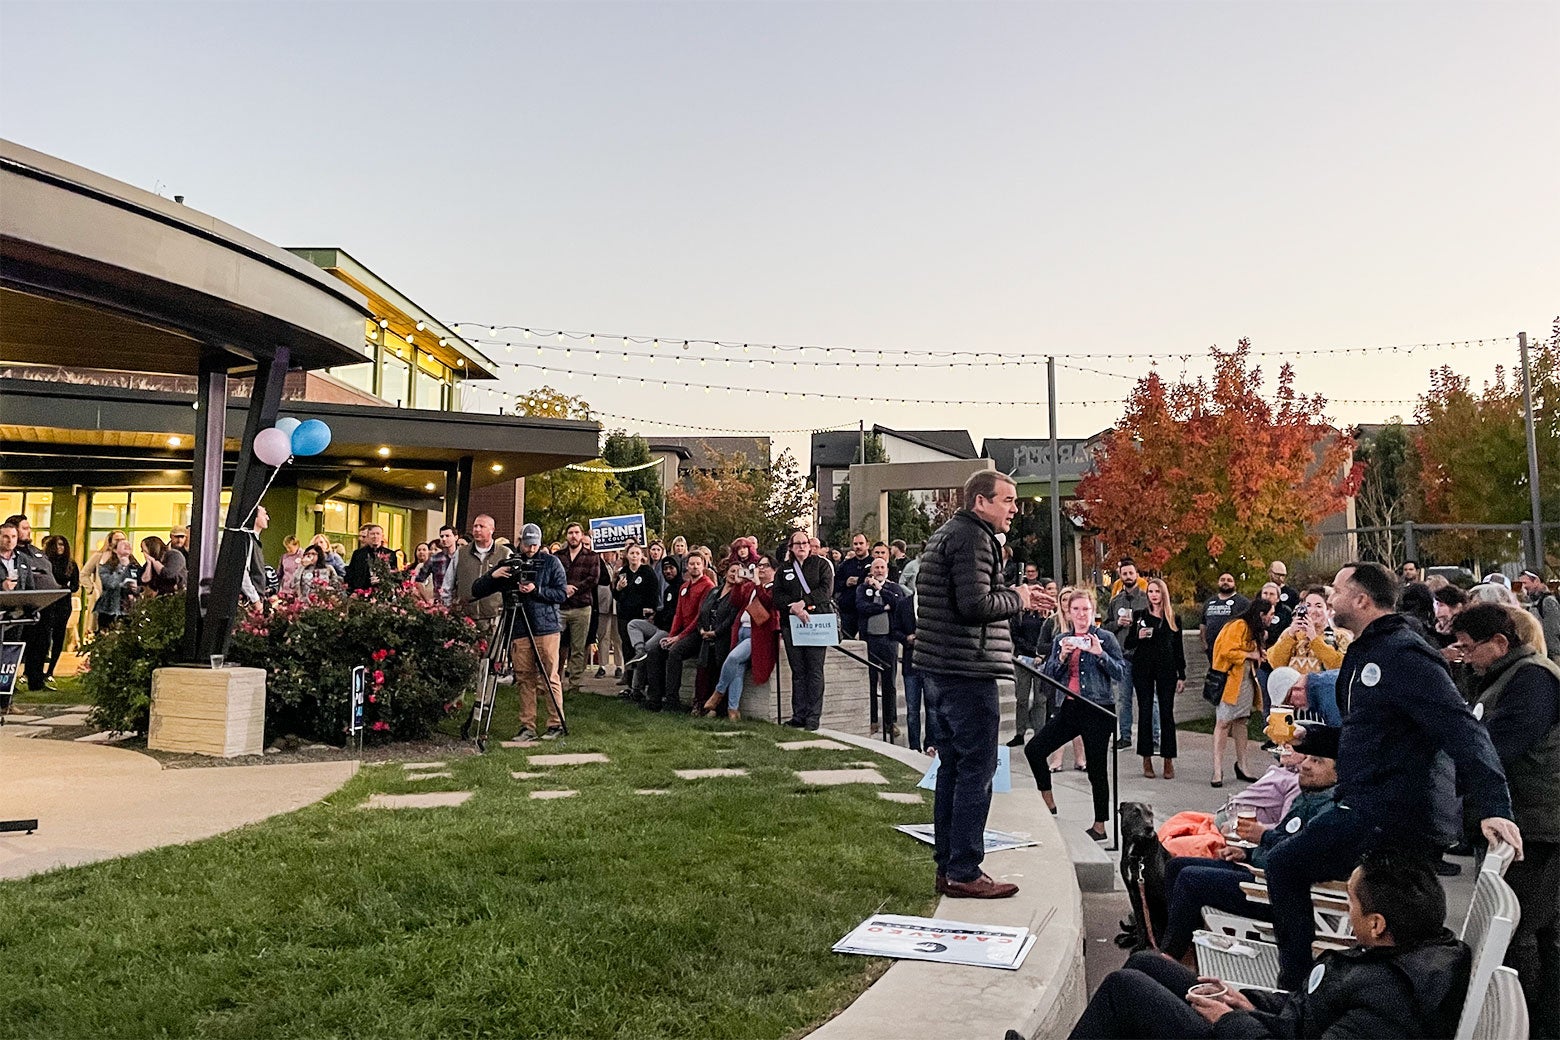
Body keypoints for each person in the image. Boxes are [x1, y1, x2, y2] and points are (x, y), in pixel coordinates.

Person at [1269, 561, 1520, 991]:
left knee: (1284, 863)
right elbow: (1370, 735)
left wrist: (1494, 806)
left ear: (1362, 600)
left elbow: (1462, 728)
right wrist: (1307, 737)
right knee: (1297, 865)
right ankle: (1354, 987)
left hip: (1390, 813)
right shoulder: (1365, 651)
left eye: (1337, 590)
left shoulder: (1403, 654)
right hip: (1368, 805)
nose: (1329, 598)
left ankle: (1296, 987)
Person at [1070, 852, 1473, 1040]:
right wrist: (1247, 1000)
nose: (1348, 913)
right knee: (1146, 963)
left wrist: (1227, 1021)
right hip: (1271, 1028)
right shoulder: (1396, 949)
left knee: (1124, 991)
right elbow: (1312, 1010)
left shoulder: (1389, 1000)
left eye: (1350, 902)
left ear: (1377, 923)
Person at [917, 471, 1049, 897]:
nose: (1014, 508)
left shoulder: (950, 534)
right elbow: (974, 605)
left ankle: (949, 867)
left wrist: (1013, 591)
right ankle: (965, 871)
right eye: (1007, 500)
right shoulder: (973, 539)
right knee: (976, 769)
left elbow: (968, 596)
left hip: (943, 667)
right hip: (966, 671)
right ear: (980, 502)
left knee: (953, 770)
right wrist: (1020, 599)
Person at [1451, 603, 1560, 1035]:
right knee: (1529, 930)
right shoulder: (1502, 677)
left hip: (1538, 825)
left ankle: (1530, 1022)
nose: (1466, 658)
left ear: (1500, 643)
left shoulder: (1533, 678)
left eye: (1469, 649)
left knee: (1522, 931)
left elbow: (1499, 745)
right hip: (1522, 821)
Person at [1160, 753, 1341, 960]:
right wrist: (1246, 853)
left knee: (1189, 879)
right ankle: (1178, 943)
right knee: (1176, 866)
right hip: (1261, 872)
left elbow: (1298, 854)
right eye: (1307, 758)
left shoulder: (1329, 812)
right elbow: (1285, 840)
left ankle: (1169, 957)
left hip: (1277, 893)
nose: (1306, 765)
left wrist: (1263, 836)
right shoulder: (1309, 797)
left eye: (1317, 761)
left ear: (1337, 774)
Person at [1028, 587, 1124, 842]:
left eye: (1086, 609)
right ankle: (1048, 803)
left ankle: (1100, 826)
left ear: (1094, 612)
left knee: (1097, 769)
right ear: (1068, 613)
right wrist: (1061, 655)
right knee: (1035, 749)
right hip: (1069, 707)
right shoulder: (1062, 639)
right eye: (1076, 610)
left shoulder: (1105, 638)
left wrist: (1099, 654)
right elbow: (1047, 676)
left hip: (1098, 708)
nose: (1082, 615)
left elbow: (1121, 673)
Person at [472, 523, 568, 741]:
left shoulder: (552, 563)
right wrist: (494, 575)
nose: (531, 549)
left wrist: (537, 590)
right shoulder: (509, 565)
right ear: (520, 542)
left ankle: (555, 723)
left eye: (535, 544)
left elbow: (561, 594)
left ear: (540, 543)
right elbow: (477, 589)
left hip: (546, 628)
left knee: (549, 676)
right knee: (525, 678)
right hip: (518, 628)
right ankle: (528, 727)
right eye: (527, 544)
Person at [772, 528, 835, 730]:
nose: (802, 547)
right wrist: (794, 607)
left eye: (805, 543)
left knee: (815, 671)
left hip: (815, 623)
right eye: (797, 543)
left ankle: (813, 716)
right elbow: (777, 596)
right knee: (798, 672)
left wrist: (804, 602)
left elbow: (825, 591)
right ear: (790, 547)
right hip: (792, 624)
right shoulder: (784, 569)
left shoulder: (821, 565)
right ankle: (798, 714)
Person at [1124, 576, 1185, 779]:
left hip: (1166, 669)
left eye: (1157, 591)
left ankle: (1168, 760)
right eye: (1150, 591)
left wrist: (1181, 674)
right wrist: (1138, 636)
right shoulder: (1140, 615)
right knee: (1146, 712)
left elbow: (1178, 648)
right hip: (1143, 668)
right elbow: (1129, 643)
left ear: (1163, 594)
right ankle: (1146, 758)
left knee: (1166, 714)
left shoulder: (1173, 618)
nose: (1154, 595)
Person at [706, 555, 780, 719]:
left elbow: (768, 602)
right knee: (737, 669)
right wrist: (739, 584)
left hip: (758, 635)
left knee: (732, 658)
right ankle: (733, 710)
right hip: (741, 630)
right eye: (759, 565)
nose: (760, 569)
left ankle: (718, 693)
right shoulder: (752, 587)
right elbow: (737, 601)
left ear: (774, 569)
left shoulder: (775, 587)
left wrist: (758, 584)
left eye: (765, 566)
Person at [1209, 594, 1268, 787]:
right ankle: (1217, 770)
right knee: (1223, 723)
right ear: (1260, 614)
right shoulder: (1239, 626)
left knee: (1242, 722)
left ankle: (1242, 765)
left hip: (1245, 682)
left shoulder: (1253, 630)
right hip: (1230, 683)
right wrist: (1249, 654)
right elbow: (1226, 650)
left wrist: (1259, 654)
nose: (1271, 618)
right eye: (1269, 614)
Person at [643, 553, 714, 712]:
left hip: (696, 633)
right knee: (655, 651)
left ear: (703, 566)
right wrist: (671, 636)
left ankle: (672, 701)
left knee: (675, 653)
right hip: (681, 632)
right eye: (692, 564)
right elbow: (678, 614)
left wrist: (678, 637)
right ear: (686, 567)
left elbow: (699, 617)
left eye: (698, 564)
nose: (695, 567)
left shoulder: (707, 586)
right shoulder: (684, 587)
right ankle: (654, 699)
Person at [4, 514, 61, 691]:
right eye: (24, 528)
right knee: (14, 644)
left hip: (43, 604)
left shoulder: (34, 552)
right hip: (19, 606)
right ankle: (8, 684)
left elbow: (44, 570)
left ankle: (36, 681)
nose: (28, 531)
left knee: (42, 643)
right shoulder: (13, 555)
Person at [856, 555, 911, 740]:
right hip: (869, 640)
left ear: (886, 569)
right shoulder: (863, 588)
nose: (879, 570)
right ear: (871, 570)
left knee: (890, 683)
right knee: (870, 682)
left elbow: (898, 604)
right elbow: (862, 607)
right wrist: (882, 608)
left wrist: (880, 589)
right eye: (876, 567)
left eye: (882, 567)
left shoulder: (893, 588)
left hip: (889, 641)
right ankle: (872, 720)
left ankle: (890, 721)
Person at [1106, 558, 1151, 750]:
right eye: (1124, 574)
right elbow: (1106, 627)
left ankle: (1152, 737)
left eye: (1131, 573)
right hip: (1123, 656)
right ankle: (1124, 736)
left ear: (1136, 574)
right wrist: (1118, 624)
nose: (1128, 576)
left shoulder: (1147, 598)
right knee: (1123, 699)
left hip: (1144, 656)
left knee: (1149, 699)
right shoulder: (1116, 601)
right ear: (1121, 576)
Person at [692, 561, 747, 716]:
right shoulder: (714, 591)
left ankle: (716, 708)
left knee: (719, 667)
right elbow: (702, 611)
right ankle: (700, 704)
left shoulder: (738, 595)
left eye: (738, 571)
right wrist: (701, 628)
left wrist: (716, 633)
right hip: (705, 636)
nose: (733, 574)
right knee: (703, 669)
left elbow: (732, 618)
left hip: (723, 638)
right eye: (732, 570)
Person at [627, 556, 685, 698]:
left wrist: (660, 616)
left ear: (678, 569)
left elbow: (675, 615)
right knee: (633, 624)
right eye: (665, 569)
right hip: (660, 626)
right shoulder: (668, 590)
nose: (668, 571)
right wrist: (654, 615)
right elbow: (666, 611)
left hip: (670, 631)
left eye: (671, 568)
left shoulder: (682, 588)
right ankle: (639, 650)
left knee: (648, 649)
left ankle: (637, 689)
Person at [446, 514, 512, 637]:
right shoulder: (461, 553)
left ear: (492, 530)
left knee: (491, 655)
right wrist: (448, 608)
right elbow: (448, 584)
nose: (477, 529)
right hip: (465, 618)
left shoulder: (505, 553)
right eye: (475, 526)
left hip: (494, 618)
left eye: (481, 526)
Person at [1008, 562, 1050, 748]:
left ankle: (1040, 732)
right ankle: (1020, 732)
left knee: (1040, 699)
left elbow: (1049, 635)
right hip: (1023, 658)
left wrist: (1040, 654)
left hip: (1041, 660)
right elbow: (1015, 634)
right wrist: (1031, 652)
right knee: (1022, 698)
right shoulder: (1019, 613)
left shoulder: (1046, 615)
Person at [555, 523, 601, 692]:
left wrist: (574, 588)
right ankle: (554, 680)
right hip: (560, 606)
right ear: (566, 536)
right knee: (555, 646)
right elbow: (553, 576)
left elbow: (593, 578)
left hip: (581, 606)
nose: (573, 536)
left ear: (582, 535)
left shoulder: (592, 556)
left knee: (578, 647)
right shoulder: (558, 556)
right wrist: (563, 588)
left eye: (576, 532)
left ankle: (574, 684)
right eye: (570, 533)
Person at [1267, 586, 1350, 673]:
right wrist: (1290, 636)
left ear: (1329, 611)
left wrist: (1314, 639)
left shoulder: (1341, 636)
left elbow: (1340, 667)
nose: (1312, 611)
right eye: (1308, 605)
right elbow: (1275, 664)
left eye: (1318, 606)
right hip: (1292, 685)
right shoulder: (1290, 633)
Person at [613, 544, 660, 686]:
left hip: (641, 616)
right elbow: (616, 595)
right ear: (627, 555)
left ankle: (641, 681)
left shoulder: (647, 572)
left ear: (642, 556)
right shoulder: (623, 572)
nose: (634, 556)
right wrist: (618, 588)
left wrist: (651, 609)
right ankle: (629, 680)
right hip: (624, 615)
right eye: (631, 553)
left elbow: (654, 592)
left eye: (637, 553)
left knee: (639, 648)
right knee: (626, 647)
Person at [39, 535, 79, 688]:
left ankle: (50, 671)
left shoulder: (71, 564)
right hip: (48, 603)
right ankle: (37, 669)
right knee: (44, 637)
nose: (59, 548)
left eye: (62, 544)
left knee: (59, 636)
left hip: (63, 604)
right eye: (56, 545)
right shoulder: (46, 563)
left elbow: (75, 585)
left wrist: (64, 588)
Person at [1199, 572, 1249, 662]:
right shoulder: (1209, 602)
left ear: (1234, 584)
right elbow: (1203, 624)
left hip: (1233, 650)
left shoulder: (1243, 602)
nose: (1225, 582)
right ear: (1218, 583)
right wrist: (1204, 644)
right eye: (1222, 580)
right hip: (1212, 649)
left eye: (1229, 580)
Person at [94, 536, 140, 629]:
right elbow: (110, 584)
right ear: (115, 550)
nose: (126, 548)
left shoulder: (134, 566)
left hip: (128, 609)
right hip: (109, 609)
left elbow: (142, 585)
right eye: (123, 546)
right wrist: (122, 568)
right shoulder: (105, 567)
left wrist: (137, 588)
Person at [834, 532, 871, 639]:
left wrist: (860, 581)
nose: (858, 546)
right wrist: (846, 583)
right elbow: (835, 584)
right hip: (848, 611)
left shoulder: (873, 564)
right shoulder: (846, 565)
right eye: (855, 544)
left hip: (866, 612)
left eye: (861, 543)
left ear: (867, 545)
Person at [1520, 568, 1560, 665]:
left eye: (1525, 583)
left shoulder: (1548, 601)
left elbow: (1552, 631)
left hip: (1550, 656)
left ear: (1537, 581)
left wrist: (1554, 657)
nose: (1523, 587)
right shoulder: (1534, 602)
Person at [345, 523, 399, 592]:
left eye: (378, 534)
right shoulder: (358, 554)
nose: (375, 536)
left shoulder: (390, 554)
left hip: (383, 592)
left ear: (382, 536)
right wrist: (352, 591)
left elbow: (394, 575)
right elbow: (351, 573)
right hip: (361, 592)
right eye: (372, 534)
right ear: (367, 536)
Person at [595, 548, 620, 678]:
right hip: (603, 603)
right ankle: (602, 665)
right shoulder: (598, 563)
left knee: (617, 637)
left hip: (617, 604)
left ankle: (619, 665)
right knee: (603, 634)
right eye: (606, 552)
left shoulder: (621, 564)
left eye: (611, 552)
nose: (608, 554)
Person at [238, 506, 269, 607]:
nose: (267, 518)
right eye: (264, 514)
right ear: (254, 518)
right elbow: (242, 572)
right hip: (248, 602)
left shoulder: (253, 540)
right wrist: (255, 599)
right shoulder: (248, 539)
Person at [418, 526, 458, 605]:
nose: (444, 539)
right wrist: (427, 600)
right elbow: (419, 579)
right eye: (441, 536)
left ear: (456, 537)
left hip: (458, 603)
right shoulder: (435, 558)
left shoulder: (463, 557)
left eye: (447, 536)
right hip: (440, 603)